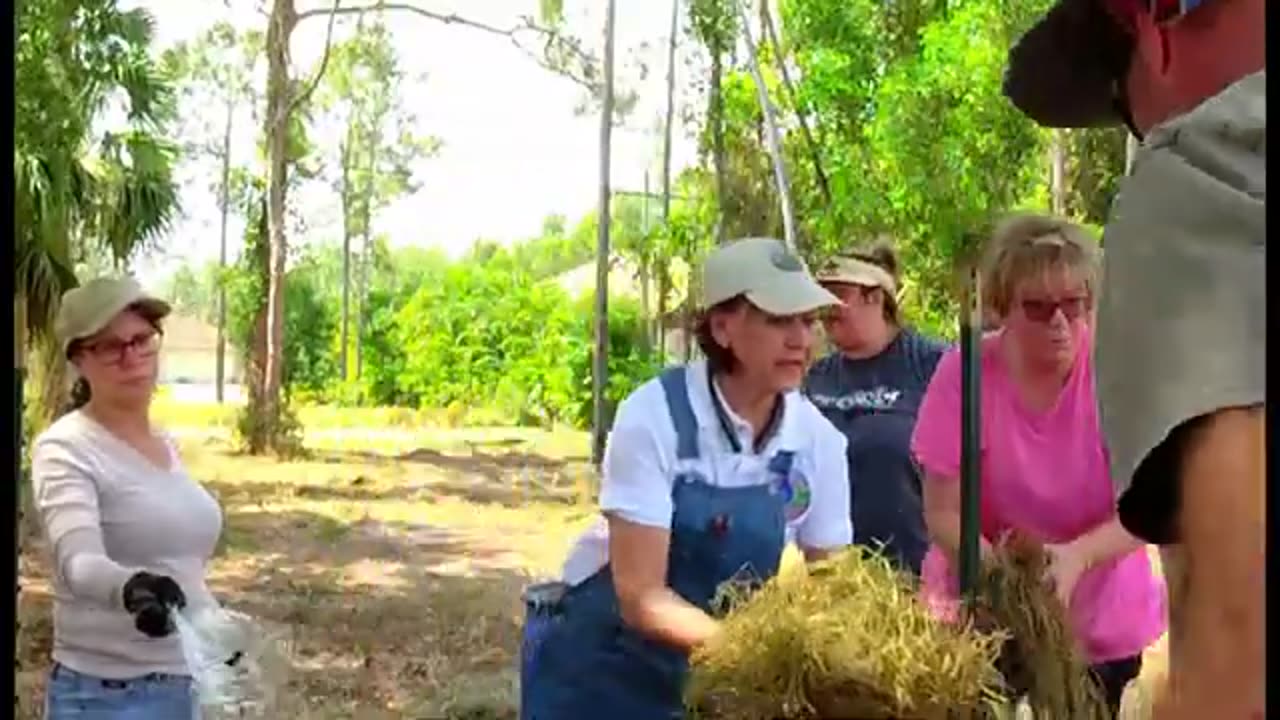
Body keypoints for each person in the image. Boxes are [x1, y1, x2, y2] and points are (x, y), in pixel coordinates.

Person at [1002, 1, 1264, 716]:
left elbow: (1230, 621)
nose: (1145, 132)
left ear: (1152, 24)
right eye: (1035, 306)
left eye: (1124, 106)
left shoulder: (1202, 173)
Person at [520, 237, 853, 720]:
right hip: (599, 670)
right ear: (722, 327)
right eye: (778, 319)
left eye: (807, 321)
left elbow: (833, 581)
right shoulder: (654, 417)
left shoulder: (816, 441)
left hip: (706, 678)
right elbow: (641, 597)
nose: (801, 339)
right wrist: (759, 654)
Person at [910, 215, 1166, 717]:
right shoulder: (964, 374)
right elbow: (943, 511)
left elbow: (1152, 506)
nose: (1061, 322)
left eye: (1076, 305)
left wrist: (1079, 557)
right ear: (1002, 308)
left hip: (1099, 620)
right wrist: (1004, 582)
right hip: (981, 608)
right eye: (1039, 307)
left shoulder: (1121, 373)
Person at [31, 277, 224, 719]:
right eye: (110, 347)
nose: (131, 357)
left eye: (141, 339)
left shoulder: (165, 443)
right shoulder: (65, 448)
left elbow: (184, 568)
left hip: (185, 683)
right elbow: (78, 563)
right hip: (108, 695)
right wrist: (131, 587)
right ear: (79, 359)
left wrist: (219, 633)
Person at [804, 245, 948, 576]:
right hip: (832, 584)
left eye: (837, 294)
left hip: (917, 583)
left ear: (876, 297)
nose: (825, 308)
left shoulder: (934, 365)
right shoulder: (815, 377)